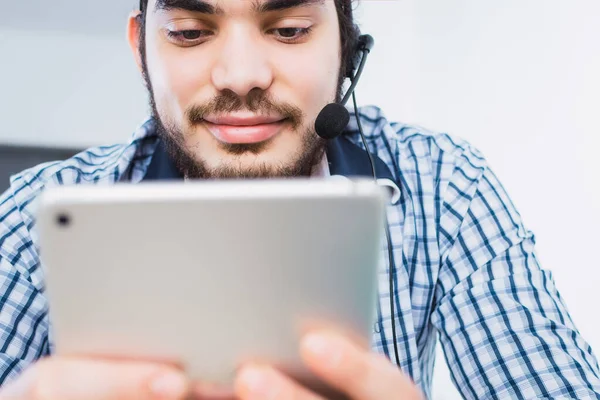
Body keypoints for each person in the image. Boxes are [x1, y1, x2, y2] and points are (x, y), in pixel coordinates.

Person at [0, 0, 599, 398]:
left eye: (288, 30)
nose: (240, 75)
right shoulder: (40, 207)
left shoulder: (446, 183)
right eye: (189, 32)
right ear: (141, 50)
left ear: (346, 48)